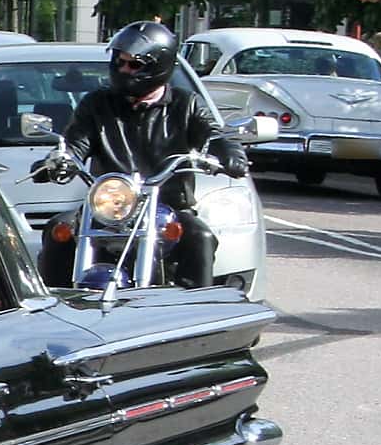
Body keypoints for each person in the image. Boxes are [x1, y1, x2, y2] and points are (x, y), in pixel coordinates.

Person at [32, 21, 248, 290]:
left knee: (200, 237)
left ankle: (195, 313)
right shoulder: (97, 104)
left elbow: (213, 134)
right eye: (119, 62)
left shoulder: (185, 104)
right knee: (59, 231)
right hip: (108, 209)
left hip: (169, 207)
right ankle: (51, 308)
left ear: (160, 65)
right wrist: (56, 161)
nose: (124, 70)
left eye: (134, 65)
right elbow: (76, 143)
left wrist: (230, 153)